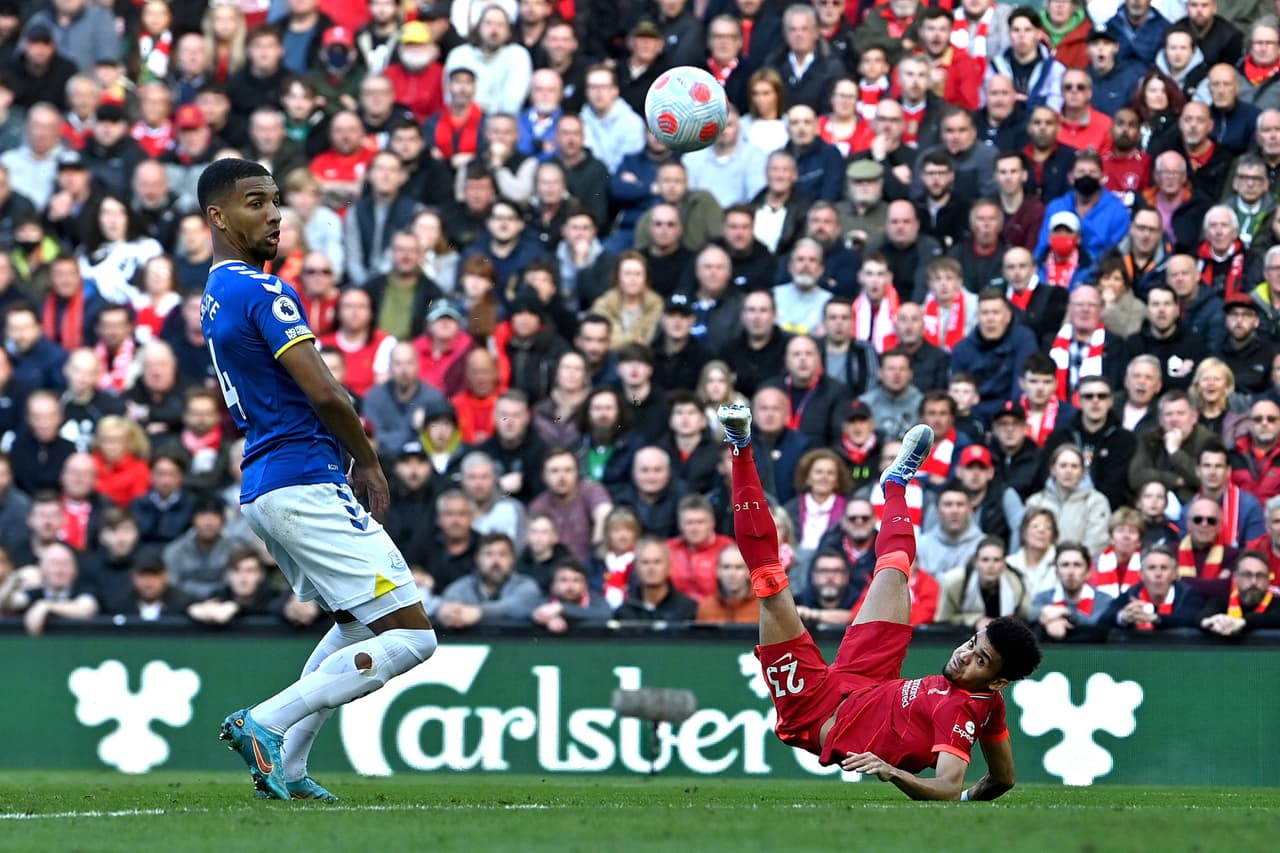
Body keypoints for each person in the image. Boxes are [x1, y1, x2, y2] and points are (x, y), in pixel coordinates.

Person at [196, 159, 436, 802]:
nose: (274, 213)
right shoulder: (260, 291)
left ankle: (291, 769)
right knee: (413, 638)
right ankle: (266, 722)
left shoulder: (215, 294)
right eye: (255, 202)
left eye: (276, 200)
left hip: (270, 482)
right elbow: (327, 394)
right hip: (305, 478)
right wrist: (368, 458)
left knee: (358, 625)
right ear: (217, 217)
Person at [721, 406, 1039, 800]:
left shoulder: (964, 710)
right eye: (973, 645)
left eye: (980, 660)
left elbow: (946, 787)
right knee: (895, 569)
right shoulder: (989, 701)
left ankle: (740, 445)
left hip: (815, 713)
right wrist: (975, 798)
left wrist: (895, 773)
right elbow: (1004, 780)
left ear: (998, 682)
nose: (963, 655)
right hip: (871, 679)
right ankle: (895, 485)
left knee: (770, 582)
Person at [1098, 544, 1205, 631]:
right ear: (1141, 575)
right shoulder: (1131, 594)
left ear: (1175, 574)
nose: (1158, 574)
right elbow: (1102, 621)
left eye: (1164, 568)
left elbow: (1191, 619)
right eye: (1151, 568)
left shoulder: (1188, 594)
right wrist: (1123, 617)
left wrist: (1154, 618)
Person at [1032, 542, 1113, 641]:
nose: (1071, 572)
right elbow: (1030, 616)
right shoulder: (1043, 598)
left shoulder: (1104, 600)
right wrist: (1050, 622)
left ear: (1088, 572)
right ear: (1056, 572)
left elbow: (1098, 624)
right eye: (1065, 565)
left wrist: (1067, 612)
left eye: (1077, 565)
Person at [1199, 549, 1280, 636]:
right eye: (1247, 575)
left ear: (1268, 579)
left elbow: (1274, 617)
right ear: (1235, 577)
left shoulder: (1276, 604)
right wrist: (1212, 621)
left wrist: (1242, 622)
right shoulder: (1221, 601)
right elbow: (1204, 616)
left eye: (1260, 575)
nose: (1254, 581)